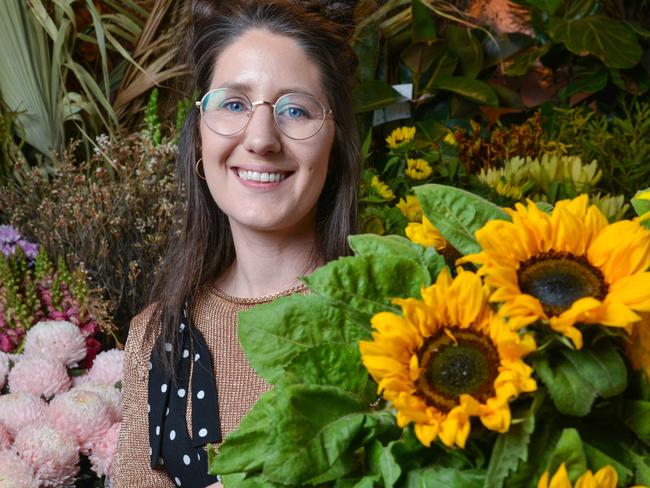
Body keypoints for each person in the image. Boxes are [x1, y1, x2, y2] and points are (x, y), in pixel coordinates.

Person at [112, 0, 360, 486]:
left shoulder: (391, 322)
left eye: (295, 109)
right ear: (200, 137)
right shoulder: (159, 337)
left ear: (334, 139)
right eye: (233, 103)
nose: (262, 138)